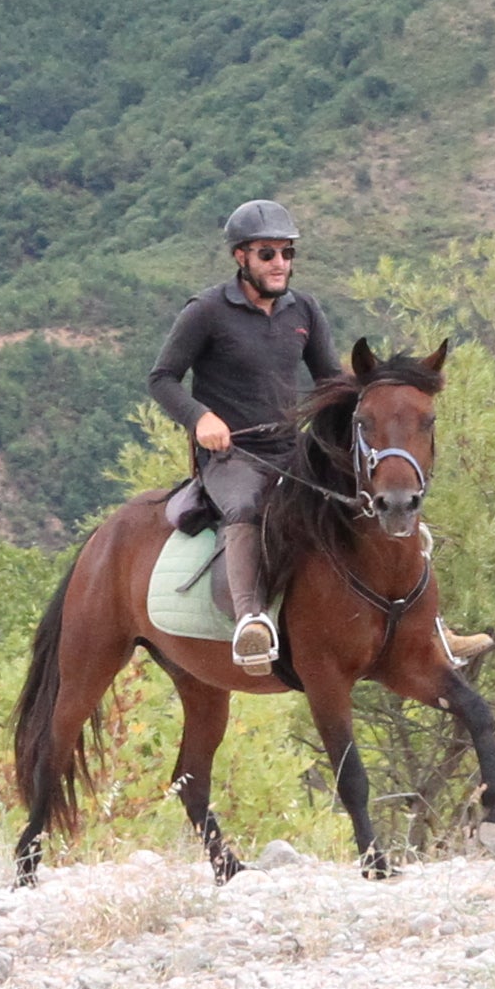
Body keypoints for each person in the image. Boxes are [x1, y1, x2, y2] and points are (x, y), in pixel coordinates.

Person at [148, 198, 334, 679]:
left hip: (290, 450)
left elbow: (331, 382)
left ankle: (423, 625)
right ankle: (251, 621)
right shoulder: (207, 310)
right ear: (241, 257)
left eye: (287, 253)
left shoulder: (304, 309)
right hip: (232, 456)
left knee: (363, 495)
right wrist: (200, 417)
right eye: (267, 253)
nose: (280, 263)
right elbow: (163, 378)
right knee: (246, 507)